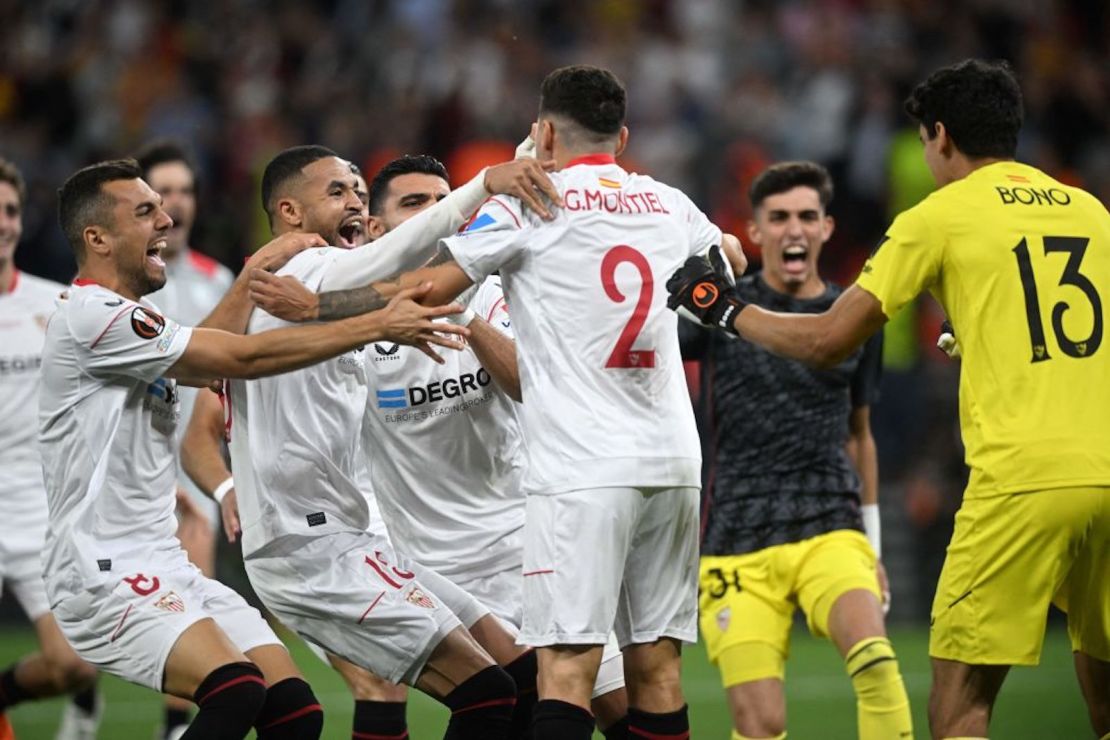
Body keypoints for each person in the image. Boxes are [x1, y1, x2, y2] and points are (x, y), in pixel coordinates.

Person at [667, 59, 1110, 740]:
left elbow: (827, 342)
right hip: (1105, 474)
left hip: (1022, 482)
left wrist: (721, 308)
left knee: (959, 710)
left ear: (939, 137)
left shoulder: (938, 215)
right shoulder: (1090, 209)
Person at [311, 65, 744, 740]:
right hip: (672, 460)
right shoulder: (669, 202)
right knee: (656, 672)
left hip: (581, 469)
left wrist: (314, 303)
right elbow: (729, 264)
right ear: (622, 137)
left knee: (565, 675)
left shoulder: (531, 203)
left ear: (542, 134)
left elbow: (429, 289)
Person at [40, 158, 469, 739]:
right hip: (100, 566)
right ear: (97, 238)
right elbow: (238, 359)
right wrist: (375, 323)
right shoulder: (91, 315)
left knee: (294, 712)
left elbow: (200, 361)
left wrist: (245, 283)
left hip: (161, 559)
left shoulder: (136, 318)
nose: (167, 218)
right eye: (146, 211)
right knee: (236, 692)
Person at [247, 152, 632, 737]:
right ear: (377, 231)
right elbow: (238, 381)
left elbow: (531, 384)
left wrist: (463, 314)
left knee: (615, 711)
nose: (435, 214)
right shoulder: (334, 307)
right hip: (418, 558)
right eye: (414, 204)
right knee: (494, 697)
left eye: (440, 199)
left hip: (525, 547)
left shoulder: (490, 289)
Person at [682, 161, 912, 739]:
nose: (794, 229)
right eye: (778, 217)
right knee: (760, 725)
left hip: (829, 524)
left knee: (878, 665)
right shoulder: (715, 309)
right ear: (755, 231)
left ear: (827, 228)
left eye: (807, 216)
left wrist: (873, 546)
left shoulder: (854, 317)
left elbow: (861, 434)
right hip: (737, 539)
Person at [134, 138, 237, 740]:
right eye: (161, 193)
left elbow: (223, 380)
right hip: (130, 467)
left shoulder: (216, 280)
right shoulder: (123, 284)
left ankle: (177, 725)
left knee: (192, 601)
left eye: (184, 191)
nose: (175, 203)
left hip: (195, 467)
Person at [0, 158, 101, 740]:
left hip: (39, 505)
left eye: (10, 211)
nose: (4, 224)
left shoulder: (56, 306)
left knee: (73, 664)